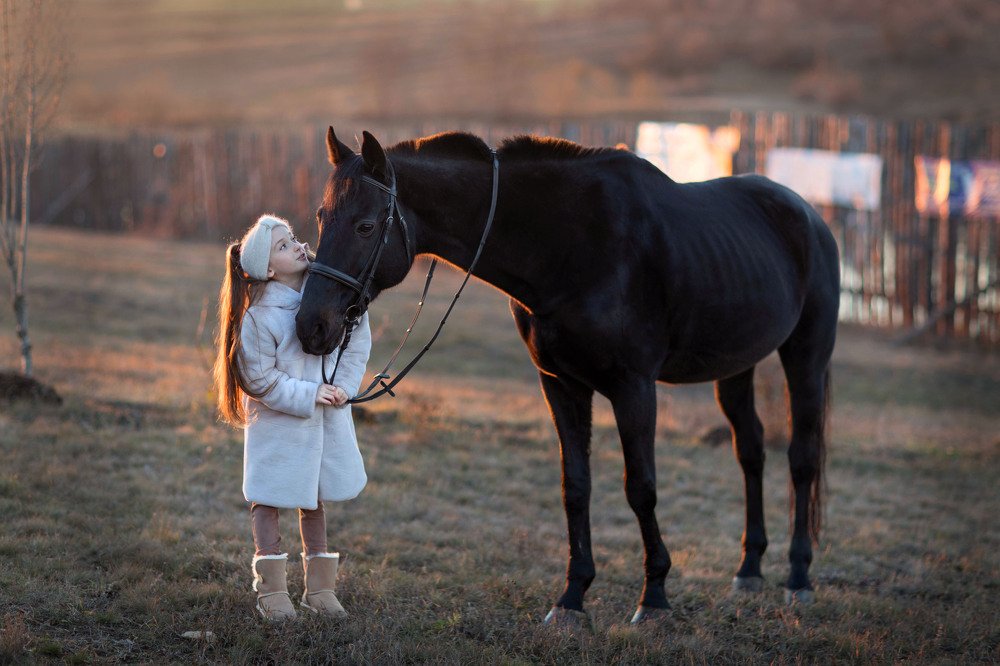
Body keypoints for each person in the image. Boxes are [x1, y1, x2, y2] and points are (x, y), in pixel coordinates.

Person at [213, 214, 371, 621]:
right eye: (284, 246)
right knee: (267, 501)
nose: (299, 246)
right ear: (267, 269)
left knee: (313, 498)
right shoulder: (258, 317)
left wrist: (344, 388)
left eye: (294, 239)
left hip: (321, 422)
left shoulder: (323, 297)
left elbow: (355, 345)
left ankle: (319, 589)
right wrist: (310, 393)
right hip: (279, 428)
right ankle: (272, 591)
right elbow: (260, 379)